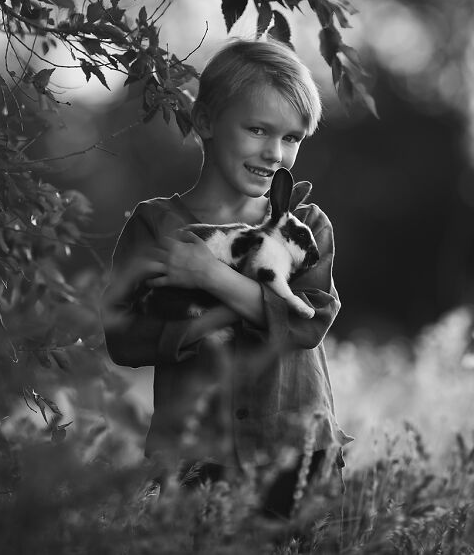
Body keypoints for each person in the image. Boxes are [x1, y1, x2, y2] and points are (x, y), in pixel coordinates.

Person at [102, 38, 352, 519]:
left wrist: (209, 276)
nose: (275, 152)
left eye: (292, 137)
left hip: (297, 457)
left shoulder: (305, 226)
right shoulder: (156, 226)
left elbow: (306, 325)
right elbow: (122, 337)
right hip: (196, 459)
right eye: (257, 129)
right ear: (206, 121)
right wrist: (203, 324)